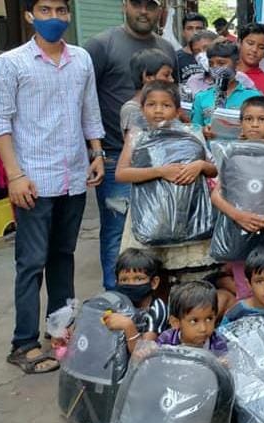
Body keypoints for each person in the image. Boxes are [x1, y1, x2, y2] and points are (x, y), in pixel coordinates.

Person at [0, 0, 105, 374]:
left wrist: (97, 152)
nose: (54, 18)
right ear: (29, 15)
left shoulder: (81, 59)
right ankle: (23, 343)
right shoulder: (10, 64)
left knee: (63, 256)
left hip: (73, 176)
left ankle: (59, 331)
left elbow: (89, 109)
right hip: (33, 180)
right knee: (32, 262)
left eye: (60, 10)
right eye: (45, 10)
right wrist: (15, 175)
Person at [85, 0, 176, 291]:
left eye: (151, 5)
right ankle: (116, 296)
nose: (144, 11)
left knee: (156, 230)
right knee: (117, 232)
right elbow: (85, 100)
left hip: (159, 161)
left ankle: (152, 297)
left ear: (160, 9)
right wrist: (95, 151)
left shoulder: (166, 48)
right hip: (115, 157)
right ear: (125, 5)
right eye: (137, 3)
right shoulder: (102, 45)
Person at [116, 81, 218, 276]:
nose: (158, 110)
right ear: (142, 109)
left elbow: (213, 170)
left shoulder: (191, 133)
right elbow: (121, 173)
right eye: (151, 104)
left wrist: (200, 166)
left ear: (178, 110)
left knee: (189, 275)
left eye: (166, 105)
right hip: (149, 215)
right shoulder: (137, 136)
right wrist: (160, 172)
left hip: (188, 213)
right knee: (152, 273)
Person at [210, 96, 264, 302]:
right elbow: (216, 195)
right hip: (237, 231)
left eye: (261, 119)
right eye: (249, 119)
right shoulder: (230, 153)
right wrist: (238, 216)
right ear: (240, 122)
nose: (255, 124)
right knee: (245, 285)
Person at [100, 248, 168, 352]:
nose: (131, 284)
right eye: (124, 280)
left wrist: (128, 326)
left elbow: (142, 352)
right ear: (117, 282)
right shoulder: (115, 303)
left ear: (154, 283)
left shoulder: (157, 309)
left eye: (138, 279)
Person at [190, 41, 263, 133]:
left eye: (221, 63)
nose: (215, 68)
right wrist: (203, 131)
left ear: (236, 64)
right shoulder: (201, 97)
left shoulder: (254, 97)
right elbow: (195, 130)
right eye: (211, 64)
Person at [155, 281, 227, 357]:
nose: (203, 328)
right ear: (175, 322)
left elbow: (224, 358)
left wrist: (222, 362)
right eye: (194, 321)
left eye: (209, 319)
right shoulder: (166, 339)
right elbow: (156, 357)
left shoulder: (218, 343)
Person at [121, 48, 174, 137]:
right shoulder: (131, 109)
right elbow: (133, 142)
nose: (171, 80)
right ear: (148, 77)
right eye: (166, 75)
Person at [237, 23, 264, 102]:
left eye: (261, 47)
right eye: (250, 43)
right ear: (239, 43)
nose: (254, 50)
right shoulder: (226, 73)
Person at [175, 12, 207, 84]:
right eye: (189, 28)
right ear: (183, 32)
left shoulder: (212, 56)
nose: (195, 32)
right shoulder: (175, 58)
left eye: (198, 28)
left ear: (205, 31)